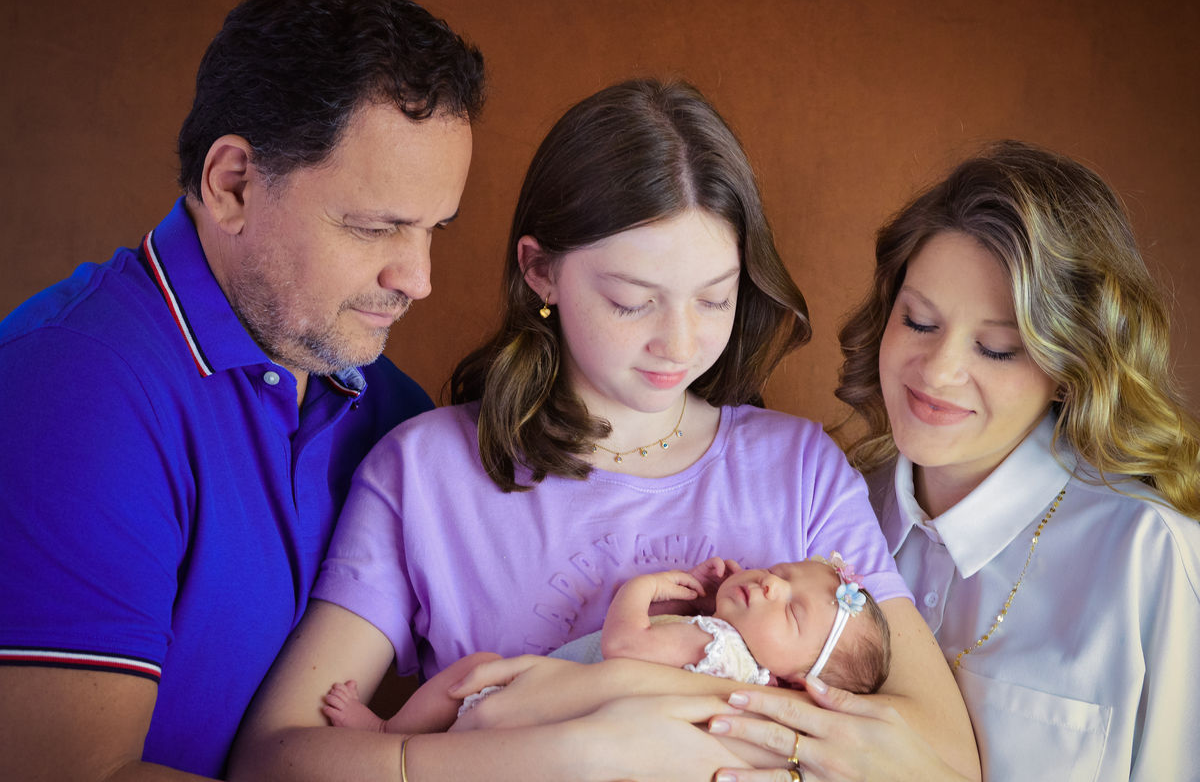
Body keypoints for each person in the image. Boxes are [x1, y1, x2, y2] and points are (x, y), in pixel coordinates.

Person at [230, 79, 978, 782]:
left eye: (714, 299)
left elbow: (944, 762)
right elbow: (272, 757)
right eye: (631, 300)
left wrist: (666, 717)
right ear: (541, 272)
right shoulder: (427, 471)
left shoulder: (801, 469)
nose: (679, 344)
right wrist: (564, 751)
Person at [0, 0, 484, 778]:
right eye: (375, 227)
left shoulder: (394, 413)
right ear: (233, 185)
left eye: (434, 230)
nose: (418, 278)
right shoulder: (72, 390)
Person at [702, 141, 1200, 781]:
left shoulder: (1151, 557)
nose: (937, 372)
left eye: (996, 349)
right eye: (918, 321)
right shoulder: (826, 511)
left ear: (1072, 367)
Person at [321, 555, 891, 735]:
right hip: (554, 725)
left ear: (794, 682)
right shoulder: (731, 670)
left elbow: (624, 645)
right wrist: (709, 599)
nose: (771, 585)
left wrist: (641, 589)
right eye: (782, 572)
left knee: (477, 666)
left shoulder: (716, 645)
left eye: (790, 611)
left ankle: (388, 734)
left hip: (527, 698)